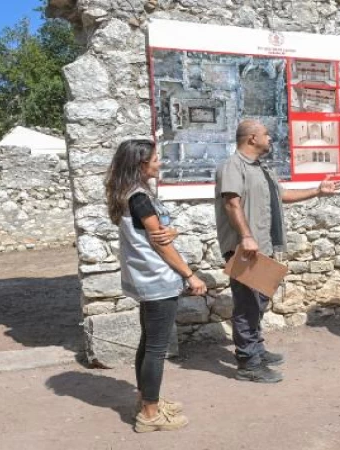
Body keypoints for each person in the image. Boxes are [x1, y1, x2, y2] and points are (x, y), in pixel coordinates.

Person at [215, 120, 340, 383]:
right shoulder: (233, 166)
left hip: (262, 246)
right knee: (247, 305)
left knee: (258, 302)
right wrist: (246, 237)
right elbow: (231, 204)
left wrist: (317, 191)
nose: (271, 138)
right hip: (245, 248)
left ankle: (256, 350)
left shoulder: (261, 169)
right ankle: (248, 364)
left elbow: (281, 195)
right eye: (266, 134)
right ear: (252, 138)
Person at [104, 139, 207, 433]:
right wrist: (190, 275)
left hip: (144, 278)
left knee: (148, 342)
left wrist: (169, 229)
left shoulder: (128, 193)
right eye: (155, 159)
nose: (159, 163)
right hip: (157, 279)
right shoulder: (139, 197)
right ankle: (150, 414)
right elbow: (160, 244)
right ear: (140, 164)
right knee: (156, 347)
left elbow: (158, 231)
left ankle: (147, 400)